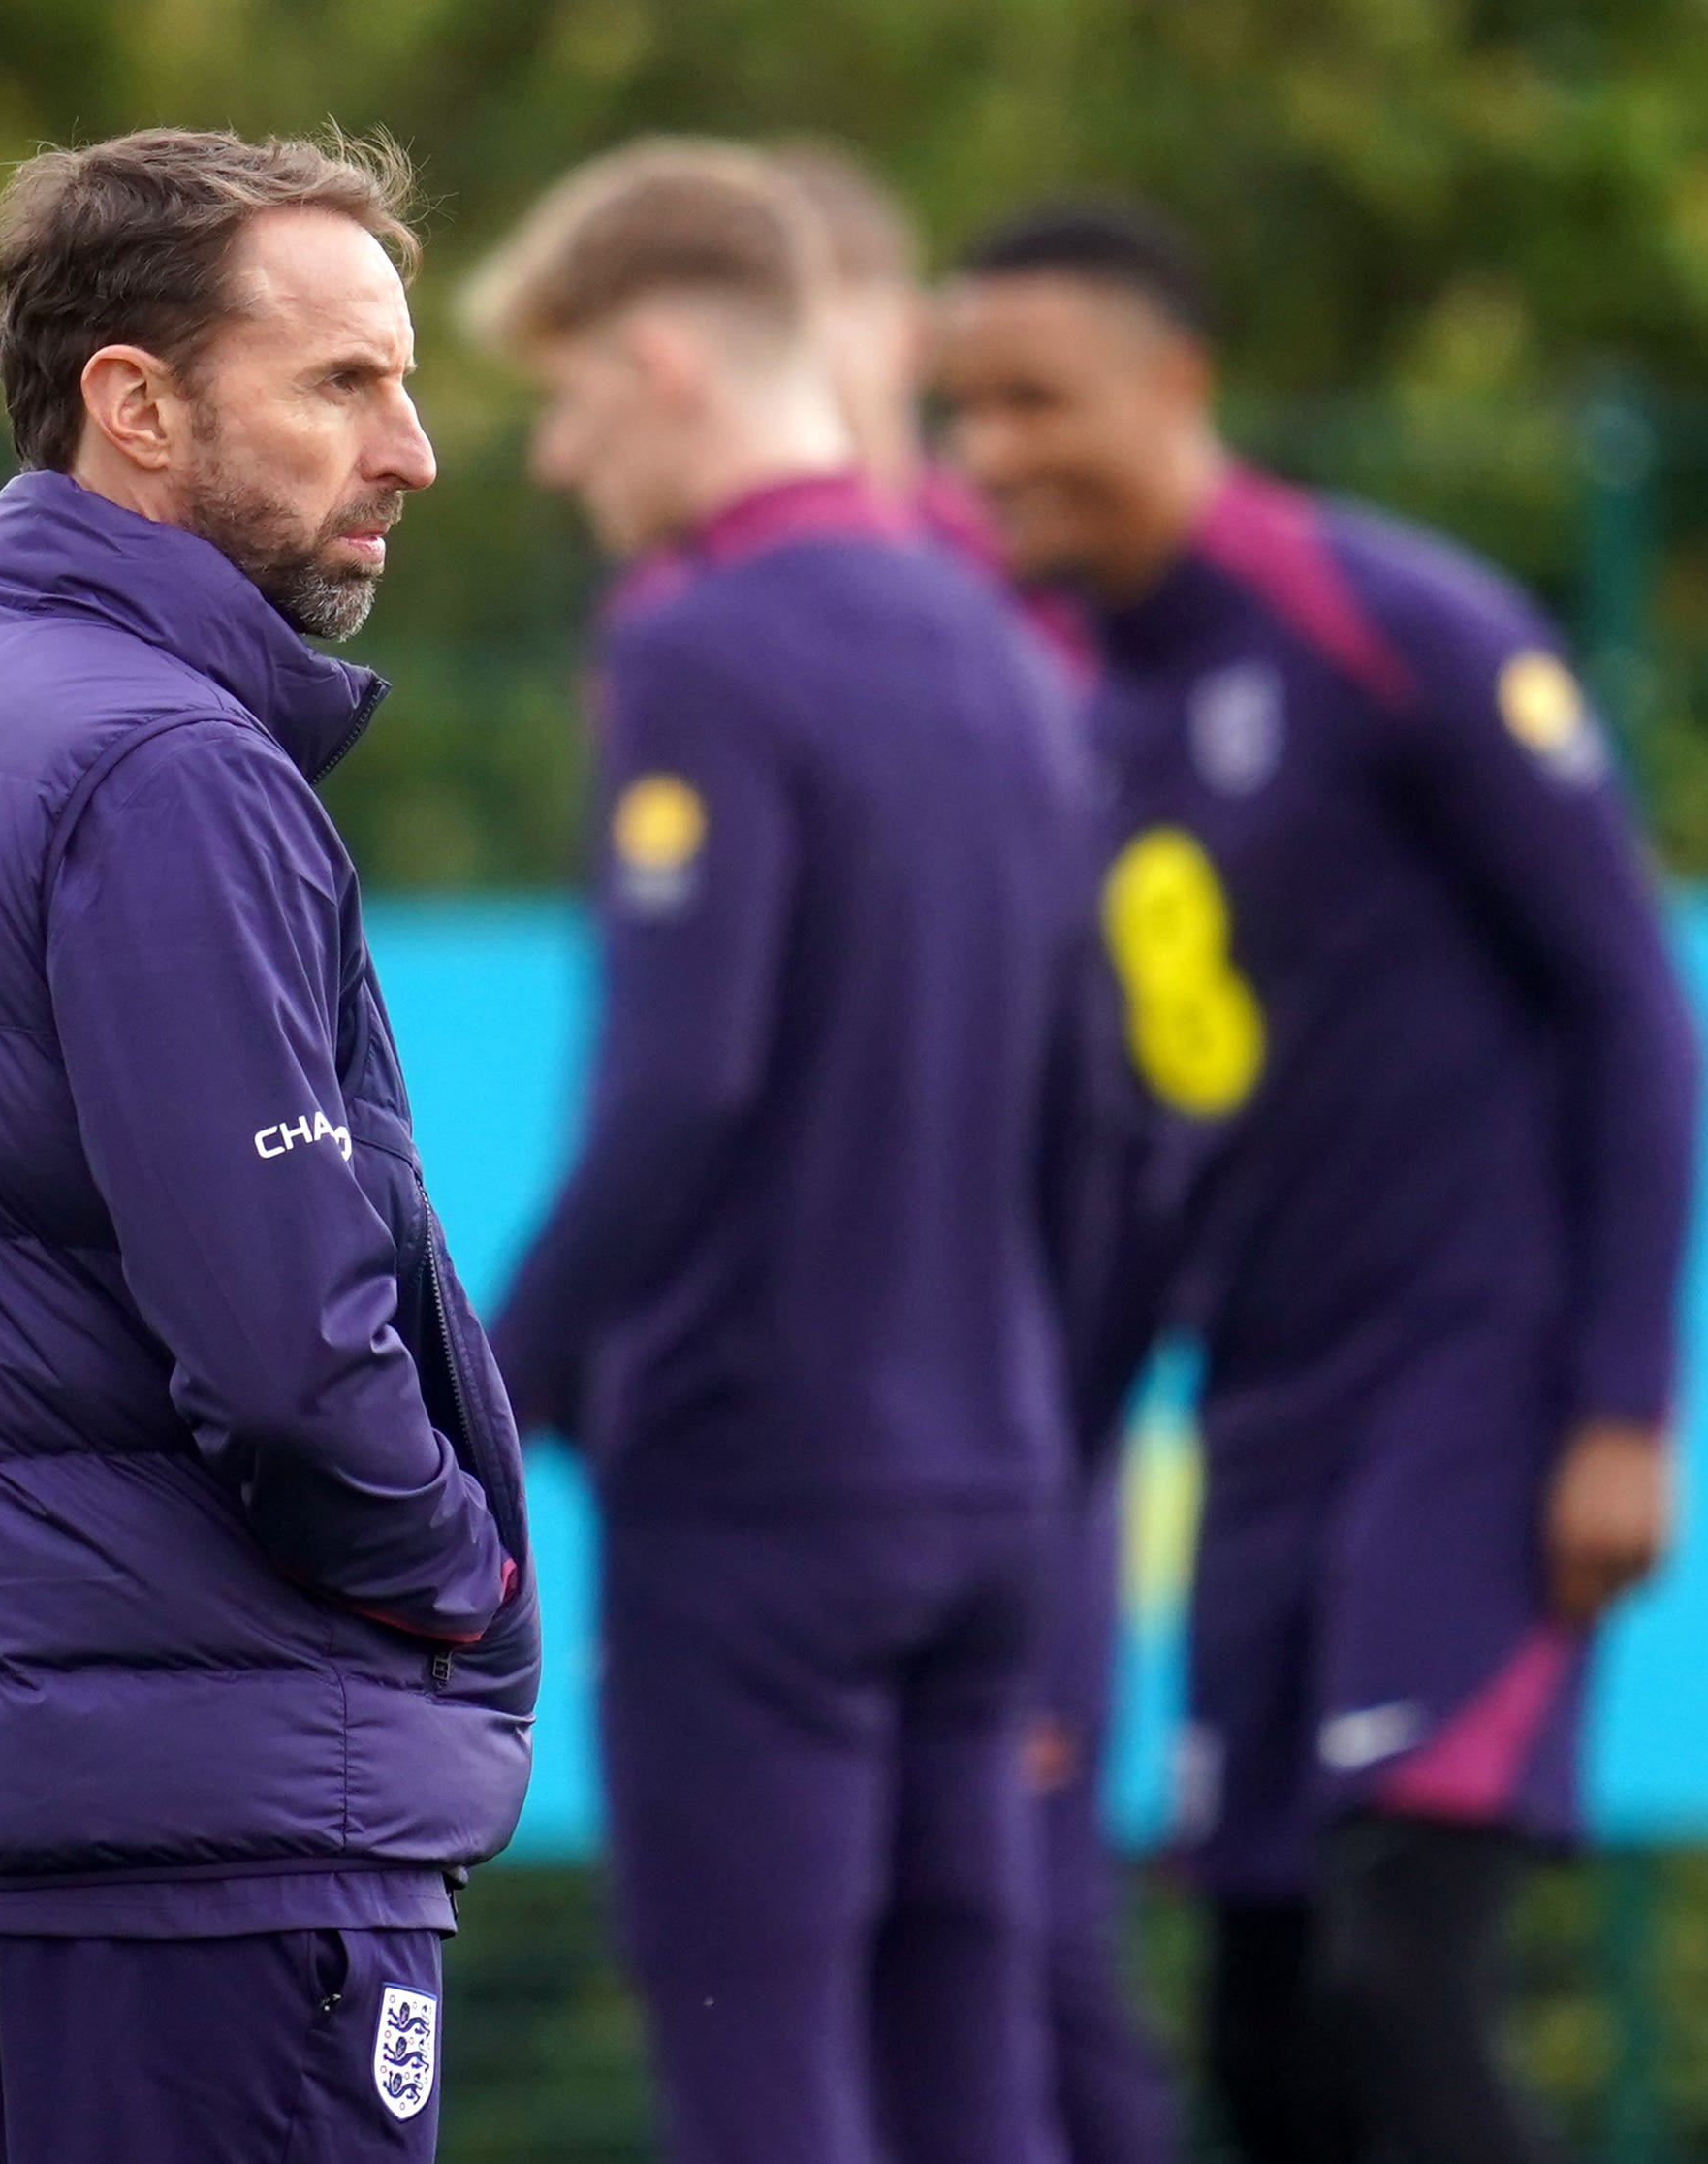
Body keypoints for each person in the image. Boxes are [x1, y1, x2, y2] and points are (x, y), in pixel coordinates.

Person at [0, 128, 536, 2164]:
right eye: (343, 382)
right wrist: (447, 1580)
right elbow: (279, 1340)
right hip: (213, 1839)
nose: (414, 449)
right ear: (139, 406)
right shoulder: (165, 765)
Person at [938, 202, 1707, 2164]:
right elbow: (1129, 1168)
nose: (995, 451)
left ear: (1176, 384)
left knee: (1400, 1980)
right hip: (1269, 1435)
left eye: (1039, 398)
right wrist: (1040, 1525)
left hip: (1479, 1398)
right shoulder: (1090, 723)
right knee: (1266, 2039)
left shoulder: (1394, 626)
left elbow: (1638, 1016)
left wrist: (1623, 1408)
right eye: (964, 411)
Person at [469, 140, 1094, 2164]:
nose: (561, 461)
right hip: (992, 1483)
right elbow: (1103, 1114)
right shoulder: (1005, 646)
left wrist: (496, 1379)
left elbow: (682, 1087)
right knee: (965, 2057)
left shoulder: (699, 649)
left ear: (661, 361)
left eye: (563, 401)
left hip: (764, 1487)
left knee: (762, 2078)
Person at [774, 139, 1178, 2164]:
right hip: (814, 1438)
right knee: (843, 1953)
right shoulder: (711, 621)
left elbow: (1108, 1094)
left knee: (1016, 1936)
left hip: (991, 1416)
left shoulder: (1002, 616)